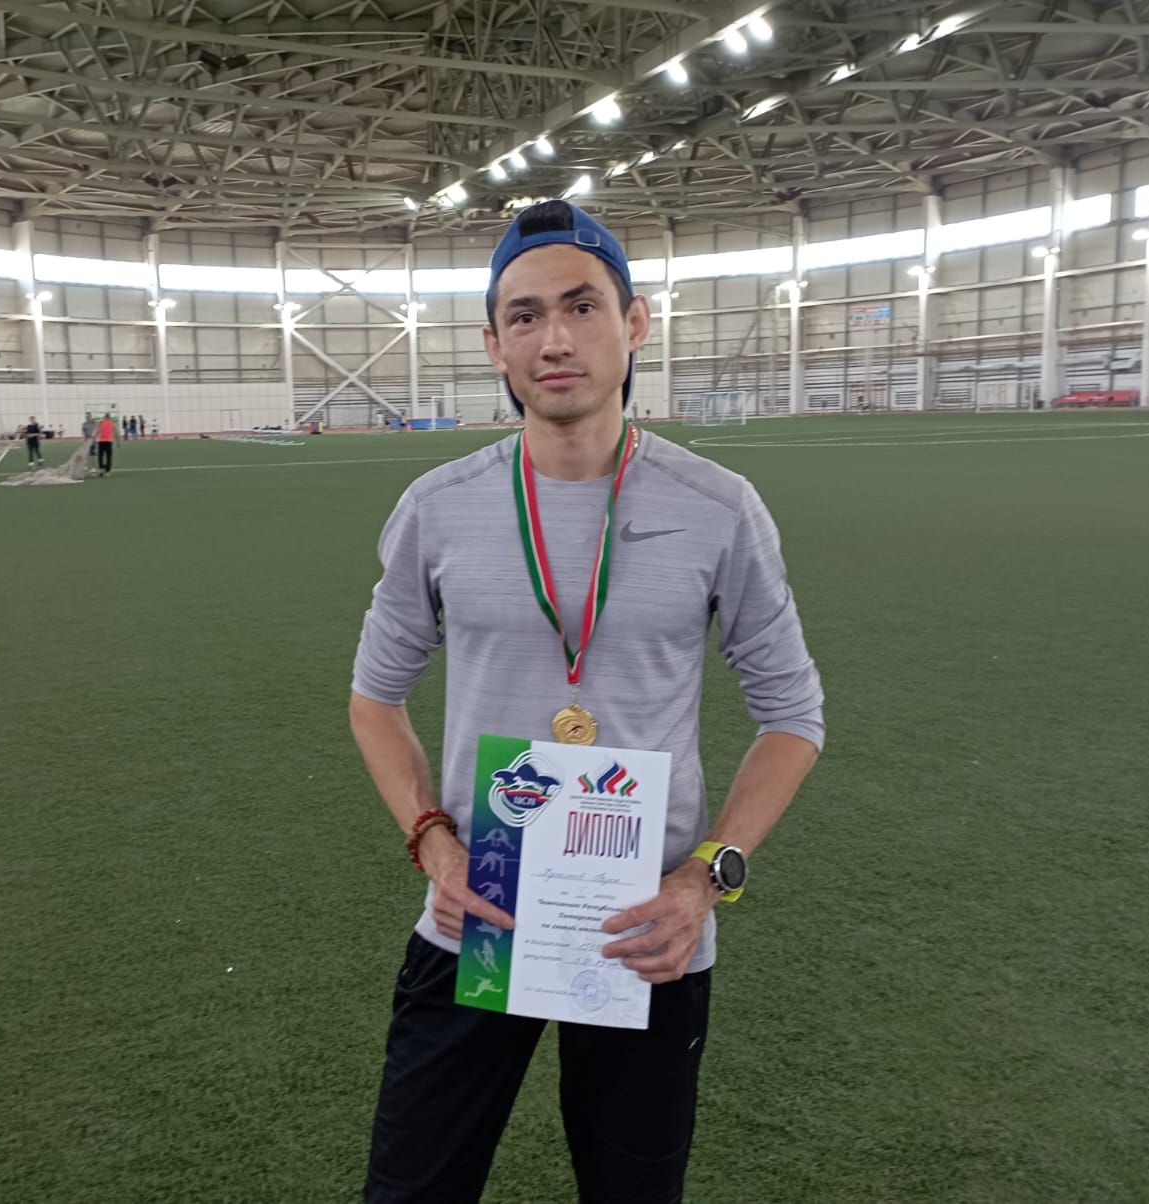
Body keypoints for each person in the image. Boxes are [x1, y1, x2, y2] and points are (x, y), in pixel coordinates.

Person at [350, 200, 825, 1204]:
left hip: (650, 932)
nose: (554, 339)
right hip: (477, 918)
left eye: (580, 307)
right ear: (494, 344)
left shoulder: (718, 508)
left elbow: (793, 715)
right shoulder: (438, 508)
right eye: (523, 316)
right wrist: (433, 842)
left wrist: (706, 876)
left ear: (633, 322)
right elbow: (373, 699)